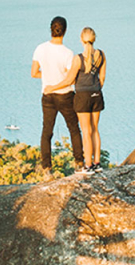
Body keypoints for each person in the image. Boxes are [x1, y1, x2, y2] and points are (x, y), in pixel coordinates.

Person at [44, 26, 106, 172]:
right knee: (95, 129)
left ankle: (88, 165)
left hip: (82, 97)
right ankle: (97, 164)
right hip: (97, 95)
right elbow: (102, 78)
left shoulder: (78, 59)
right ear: (94, 38)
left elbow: (69, 81)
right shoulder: (101, 55)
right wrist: (94, 89)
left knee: (86, 131)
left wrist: (51, 88)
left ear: (81, 39)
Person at [31, 16, 85, 170]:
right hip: (65, 96)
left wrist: (48, 75)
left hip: (47, 96)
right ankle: (79, 163)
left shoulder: (40, 49)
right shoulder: (68, 53)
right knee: (74, 129)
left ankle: (47, 168)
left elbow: (34, 73)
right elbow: (71, 78)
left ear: (51, 29)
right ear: (65, 31)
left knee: (47, 131)